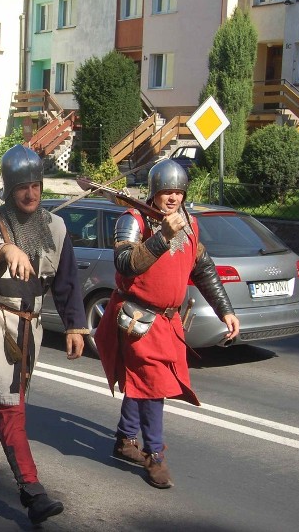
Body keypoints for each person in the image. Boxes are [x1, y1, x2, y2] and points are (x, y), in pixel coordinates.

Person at [0, 145, 86, 527]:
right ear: (10, 190)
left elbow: (66, 283)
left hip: (29, 326)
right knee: (11, 407)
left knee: (4, 396)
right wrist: (4, 247)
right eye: (22, 188)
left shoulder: (56, 228)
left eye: (36, 186)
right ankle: (32, 490)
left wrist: (76, 325)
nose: (30, 194)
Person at [94, 159, 239, 489]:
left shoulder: (189, 224)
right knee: (153, 385)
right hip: (138, 317)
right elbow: (126, 263)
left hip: (168, 321)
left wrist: (225, 310)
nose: (172, 198)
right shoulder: (134, 219)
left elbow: (202, 269)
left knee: (143, 381)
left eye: (178, 192)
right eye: (166, 192)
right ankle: (155, 454)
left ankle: (124, 437)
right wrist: (161, 237)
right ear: (154, 192)